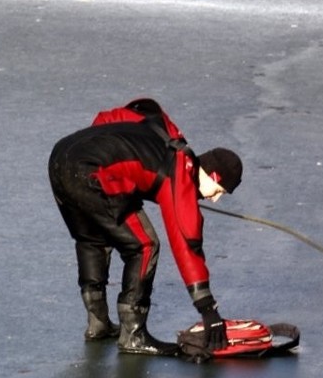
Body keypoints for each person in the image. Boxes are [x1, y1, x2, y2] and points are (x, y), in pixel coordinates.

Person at [48, 98, 243, 356]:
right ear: (213, 175)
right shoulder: (180, 171)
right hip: (91, 172)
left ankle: (98, 325)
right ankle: (134, 336)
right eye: (219, 190)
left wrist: (111, 158)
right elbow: (187, 240)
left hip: (62, 156)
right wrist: (208, 309)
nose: (215, 198)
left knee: (92, 238)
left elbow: (111, 118)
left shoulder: (165, 133)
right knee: (145, 245)